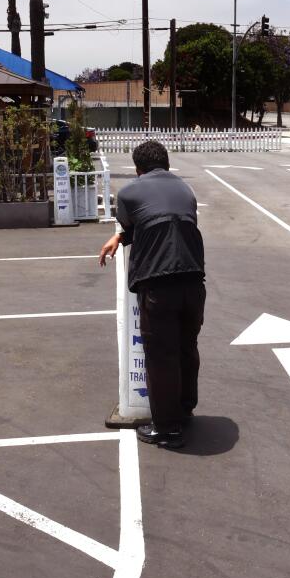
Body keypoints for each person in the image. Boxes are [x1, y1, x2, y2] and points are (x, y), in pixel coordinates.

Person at [99, 140, 205, 449]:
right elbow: (164, 221)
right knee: (187, 348)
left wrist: (121, 235)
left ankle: (167, 429)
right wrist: (121, 237)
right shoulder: (186, 190)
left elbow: (136, 222)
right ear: (167, 164)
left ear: (137, 169)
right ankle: (184, 409)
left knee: (161, 357)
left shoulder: (129, 192)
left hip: (159, 284)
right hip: (194, 282)